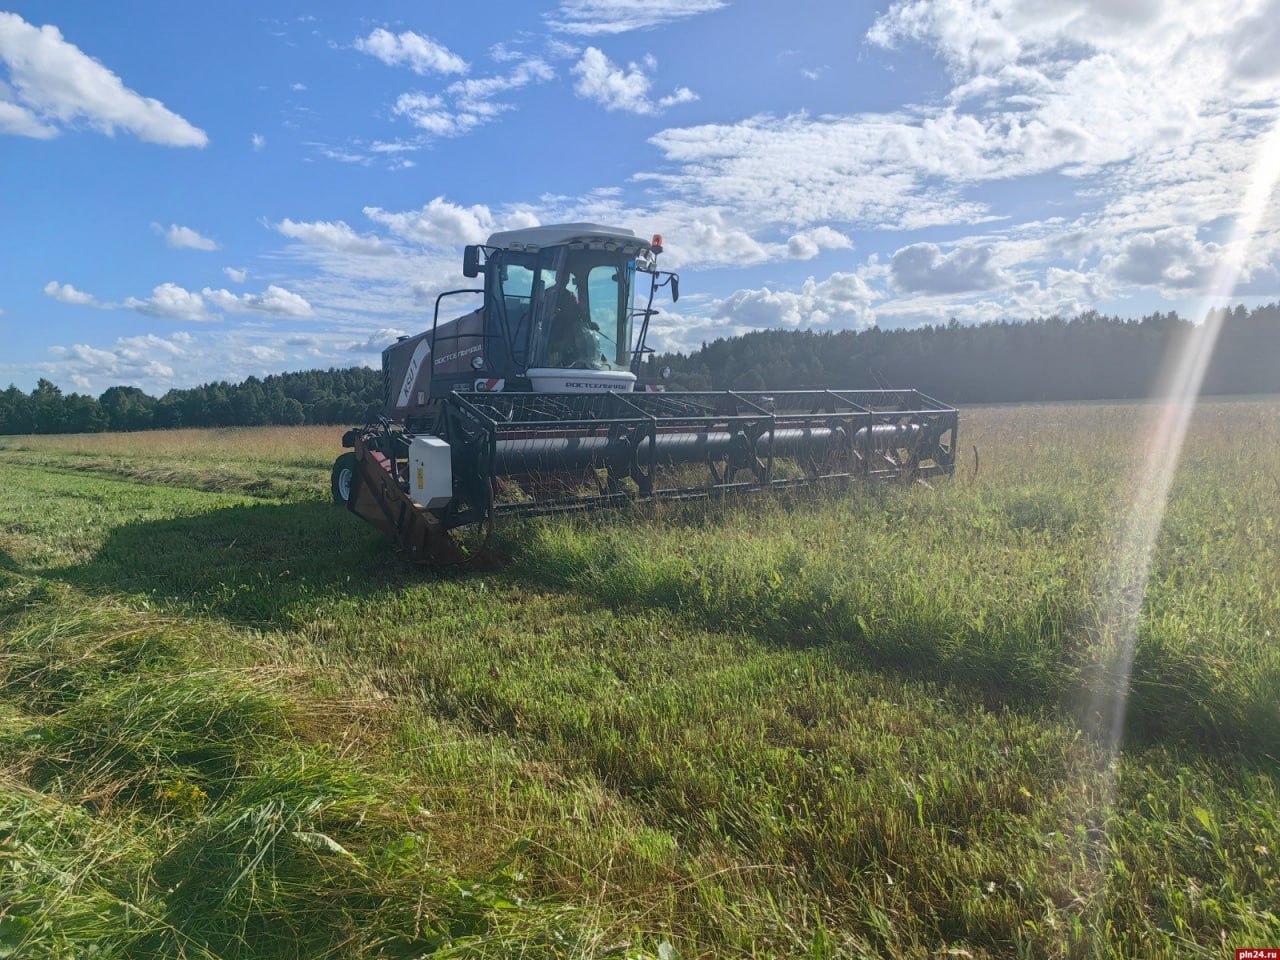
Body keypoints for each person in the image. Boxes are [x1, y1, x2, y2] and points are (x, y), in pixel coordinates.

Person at [543, 273, 601, 367]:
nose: (564, 279)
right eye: (562, 276)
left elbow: (579, 314)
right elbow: (543, 315)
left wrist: (590, 324)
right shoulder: (548, 294)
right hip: (550, 332)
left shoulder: (570, 296)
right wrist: (554, 314)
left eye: (566, 278)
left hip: (569, 333)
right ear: (557, 278)